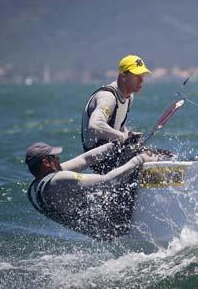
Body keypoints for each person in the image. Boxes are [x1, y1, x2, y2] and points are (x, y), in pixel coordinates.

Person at [25, 141, 157, 240]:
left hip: (102, 232)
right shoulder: (59, 180)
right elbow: (108, 181)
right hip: (115, 224)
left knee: (123, 165)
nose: (59, 159)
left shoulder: (35, 187)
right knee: (129, 172)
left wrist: (116, 144)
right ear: (46, 163)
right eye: (55, 157)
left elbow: (84, 160)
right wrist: (140, 159)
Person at [81, 54, 152, 173]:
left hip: (113, 153)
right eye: (137, 76)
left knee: (156, 153)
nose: (142, 80)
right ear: (123, 76)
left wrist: (129, 136)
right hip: (99, 161)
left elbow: (118, 125)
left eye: (143, 75)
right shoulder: (108, 98)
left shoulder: (129, 98)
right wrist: (123, 137)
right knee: (146, 158)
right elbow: (95, 125)